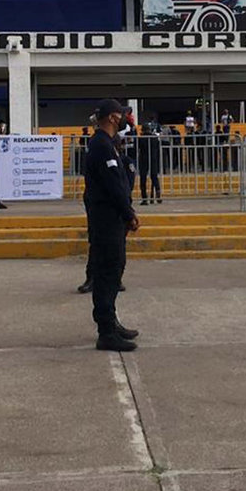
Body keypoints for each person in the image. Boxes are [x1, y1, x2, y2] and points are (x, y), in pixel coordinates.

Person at [82, 99, 141, 352]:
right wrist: (128, 213)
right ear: (113, 117)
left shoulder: (107, 144)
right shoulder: (101, 145)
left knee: (115, 270)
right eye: (123, 115)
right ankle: (105, 331)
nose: (126, 119)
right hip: (107, 219)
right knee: (107, 273)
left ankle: (111, 321)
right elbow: (113, 185)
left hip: (112, 219)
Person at [137, 121, 162, 205]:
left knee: (143, 179)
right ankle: (157, 192)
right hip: (153, 158)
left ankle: (144, 198)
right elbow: (158, 148)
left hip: (143, 159)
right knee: (154, 176)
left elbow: (137, 148)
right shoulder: (155, 138)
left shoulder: (141, 138)